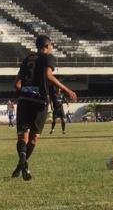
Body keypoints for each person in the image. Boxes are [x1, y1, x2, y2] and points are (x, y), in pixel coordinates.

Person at [12, 35, 78, 181]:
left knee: (23, 135)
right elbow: (48, 76)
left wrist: (24, 92)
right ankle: (23, 163)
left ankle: (22, 163)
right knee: (34, 137)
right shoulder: (48, 57)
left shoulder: (28, 59)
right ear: (47, 46)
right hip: (39, 101)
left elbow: (16, 83)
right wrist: (67, 90)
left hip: (24, 100)